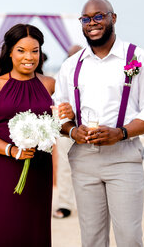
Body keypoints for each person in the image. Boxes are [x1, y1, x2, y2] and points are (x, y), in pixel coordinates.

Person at [54, 0, 144, 247]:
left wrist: (120, 133)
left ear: (113, 18)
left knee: (129, 237)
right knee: (91, 238)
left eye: (98, 16)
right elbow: (59, 113)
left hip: (124, 158)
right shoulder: (71, 66)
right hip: (83, 159)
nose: (92, 23)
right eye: (86, 19)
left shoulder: (140, 58)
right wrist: (72, 131)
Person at [0, 24, 56, 246]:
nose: (29, 57)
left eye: (34, 50)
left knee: (32, 226)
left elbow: (65, 120)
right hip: (2, 167)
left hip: (39, 168)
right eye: (21, 50)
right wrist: (12, 150)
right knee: (0, 225)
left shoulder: (49, 85)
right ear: (9, 51)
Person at [53, 44, 83, 219]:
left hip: (90, 126)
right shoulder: (62, 75)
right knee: (64, 165)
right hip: (66, 125)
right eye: (72, 55)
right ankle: (65, 204)